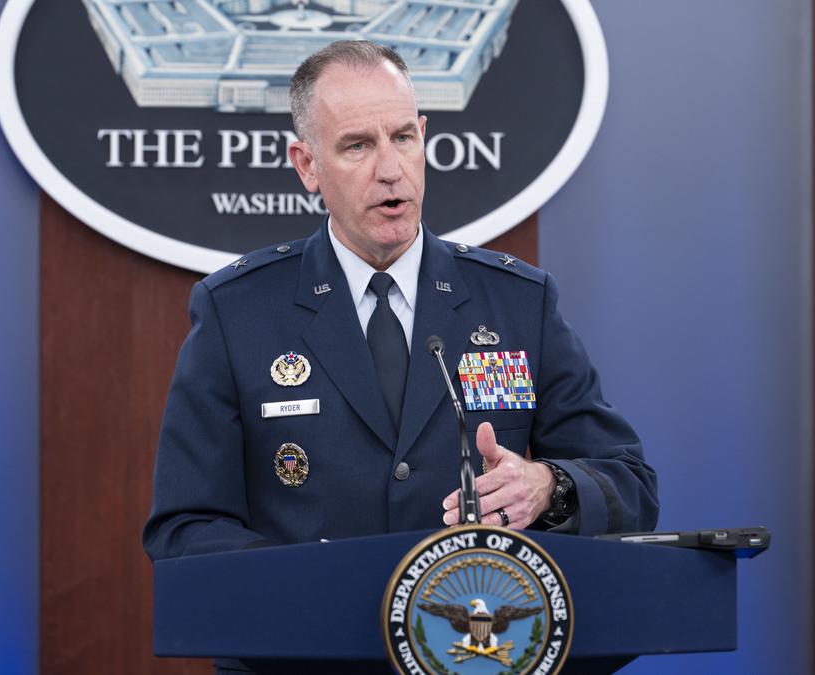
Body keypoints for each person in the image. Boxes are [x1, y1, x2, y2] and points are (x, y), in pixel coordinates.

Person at [143, 40, 658, 562]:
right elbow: (185, 527)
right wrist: (309, 580)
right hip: (305, 635)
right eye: (357, 146)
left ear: (424, 139)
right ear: (307, 165)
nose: (391, 169)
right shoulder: (237, 313)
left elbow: (631, 487)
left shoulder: (518, 303)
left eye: (403, 137)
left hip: (469, 632)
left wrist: (549, 485)